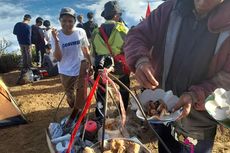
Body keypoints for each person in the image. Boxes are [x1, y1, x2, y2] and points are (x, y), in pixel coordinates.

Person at [124, 0, 230, 153]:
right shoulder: (169, 9)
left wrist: (196, 94)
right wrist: (140, 59)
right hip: (164, 117)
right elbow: (137, 35)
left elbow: (227, 78)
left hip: (199, 125)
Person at [91, 1, 130, 118]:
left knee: (101, 92)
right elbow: (129, 49)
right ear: (116, 16)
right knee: (123, 89)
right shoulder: (122, 29)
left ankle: (99, 117)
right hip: (119, 67)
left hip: (102, 67)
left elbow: (93, 54)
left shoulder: (95, 32)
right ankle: (121, 114)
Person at [52, 7, 92, 109]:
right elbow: (58, 58)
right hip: (65, 71)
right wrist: (56, 41)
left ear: (75, 21)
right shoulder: (57, 35)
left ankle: (80, 114)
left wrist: (90, 64)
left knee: (81, 94)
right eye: (64, 21)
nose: (67, 24)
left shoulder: (80, 32)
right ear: (60, 20)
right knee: (70, 96)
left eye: (70, 21)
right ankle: (74, 111)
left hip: (80, 69)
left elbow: (85, 50)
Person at [13, 14, 32, 85]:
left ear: (23, 18)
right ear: (29, 20)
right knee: (28, 54)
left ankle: (24, 66)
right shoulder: (28, 26)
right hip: (27, 43)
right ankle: (29, 67)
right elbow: (29, 36)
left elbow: (14, 32)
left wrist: (20, 35)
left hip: (20, 42)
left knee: (23, 54)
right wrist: (30, 44)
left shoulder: (17, 24)